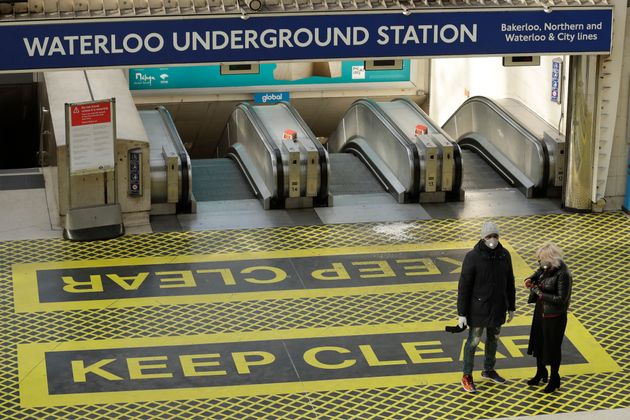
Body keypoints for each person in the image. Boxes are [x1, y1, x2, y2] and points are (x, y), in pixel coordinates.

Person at [457, 221, 516, 393]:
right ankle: (466, 375)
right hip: (478, 309)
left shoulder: (504, 255)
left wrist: (511, 306)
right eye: (489, 236)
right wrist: (462, 313)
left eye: (495, 236)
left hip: (497, 308)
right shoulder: (472, 257)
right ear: (483, 238)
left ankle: (488, 370)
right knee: (473, 342)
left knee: (494, 340)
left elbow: (509, 282)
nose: (493, 239)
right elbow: (464, 286)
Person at [524, 243, 572, 393]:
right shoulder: (546, 268)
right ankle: (540, 372)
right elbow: (537, 272)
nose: (539, 262)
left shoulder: (563, 274)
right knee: (538, 342)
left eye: (541, 259)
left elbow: (561, 299)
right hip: (541, 311)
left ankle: (554, 378)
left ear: (550, 259)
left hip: (554, 316)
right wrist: (530, 279)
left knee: (552, 347)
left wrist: (538, 292)